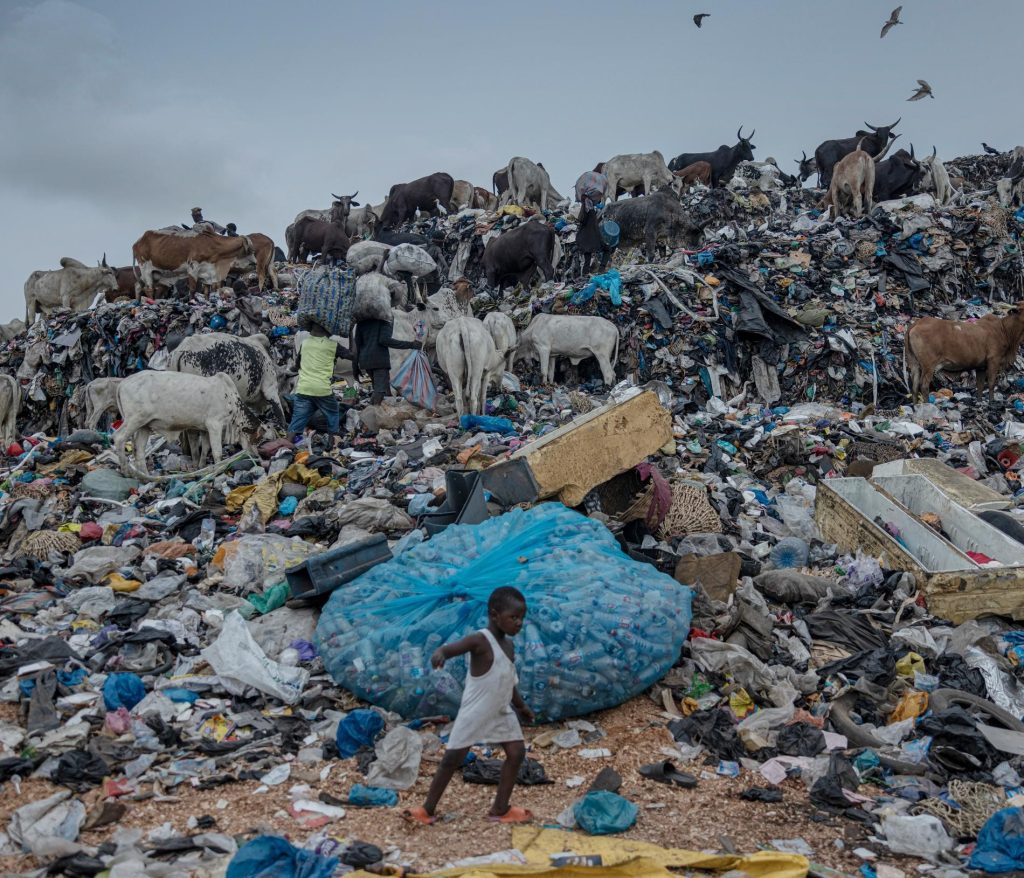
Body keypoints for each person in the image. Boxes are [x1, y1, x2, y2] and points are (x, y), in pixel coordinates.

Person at [402, 587, 535, 825]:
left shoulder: (509, 647)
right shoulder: (480, 640)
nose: (519, 623)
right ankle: (427, 809)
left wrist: (521, 707)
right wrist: (440, 653)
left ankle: (500, 809)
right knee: (452, 759)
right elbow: (452, 648)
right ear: (495, 615)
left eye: (522, 618)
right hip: (475, 712)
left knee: (516, 754)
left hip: (501, 711)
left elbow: (508, 680)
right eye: (513, 617)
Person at [289, 320, 353, 441]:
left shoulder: (305, 343)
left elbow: (296, 366)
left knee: (296, 421)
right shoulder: (333, 345)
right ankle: (332, 440)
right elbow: (353, 356)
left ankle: (284, 446)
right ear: (328, 331)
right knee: (333, 413)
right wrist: (351, 334)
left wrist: (288, 371)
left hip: (303, 389)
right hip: (322, 390)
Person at [352, 314, 418, 405]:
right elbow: (385, 340)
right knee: (380, 391)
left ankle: (377, 412)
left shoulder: (361, 324)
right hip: (379, 361)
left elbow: (356, 346)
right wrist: (411, 344)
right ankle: (372, 412)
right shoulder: (384, 322)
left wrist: (355, 367)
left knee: (380, 390)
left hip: (366, 362)